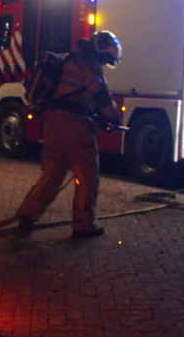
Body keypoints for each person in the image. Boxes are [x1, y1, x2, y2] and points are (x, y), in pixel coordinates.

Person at [16, 31, 122, 239]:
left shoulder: (69, 61)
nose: (105, 63)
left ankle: (27, 217)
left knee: (51, 176)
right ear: (101, 51)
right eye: (106, 59)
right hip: (76, 128)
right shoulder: (90, 66)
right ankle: (83, 226)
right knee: (86, 178)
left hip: (53, 125)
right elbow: (101, 98)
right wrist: (114, 117)